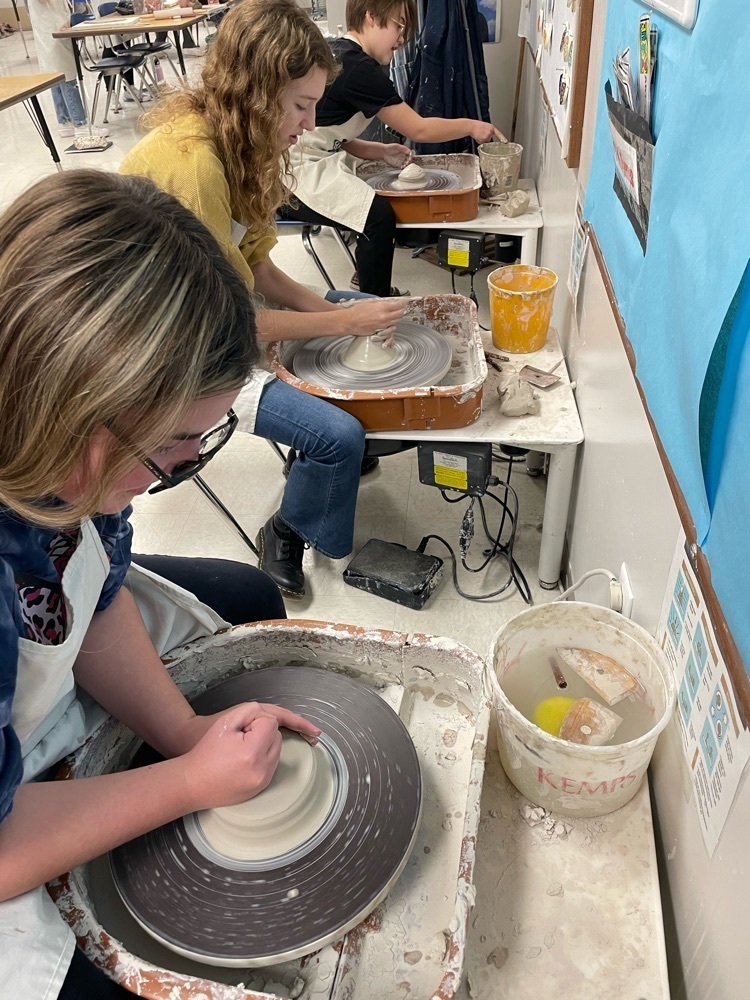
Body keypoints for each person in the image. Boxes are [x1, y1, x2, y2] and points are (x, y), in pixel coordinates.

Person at [0, 169, 320, 999]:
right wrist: (188, 784)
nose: (180, 467)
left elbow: (93, 589)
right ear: (73, 404)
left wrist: (183, 733)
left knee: (247, 599)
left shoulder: (61, 450)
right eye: (172, 445)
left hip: (31, 621)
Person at [120, 0, 405, 601]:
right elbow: (229, 328)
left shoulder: (245, 144)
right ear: (256, 91)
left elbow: (257, 268)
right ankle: (285, 529)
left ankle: (324, 457)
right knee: (339, 434)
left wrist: (338, 315)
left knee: (351, 309)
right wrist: (342, 321)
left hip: (213, 319)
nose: (310, 122)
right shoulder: (193, 165)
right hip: (165, 355)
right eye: (301, 105)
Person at [287, 0, 505, 298]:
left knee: (373, 203)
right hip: (290, 177)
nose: (402, 39)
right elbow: (418, 129)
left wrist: (380, 151)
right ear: (371, 17)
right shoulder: (359, 69)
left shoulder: (343, 52)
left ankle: (366, 281)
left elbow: (330, 135)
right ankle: (373, 305)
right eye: (398, 26)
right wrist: (472, 126)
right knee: (378, 216)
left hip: (309, 160)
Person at [25, 0, 109, 138]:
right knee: (65, 75)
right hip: (51, 26)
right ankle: (80, 124)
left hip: (53, 24)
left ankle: (65, 121)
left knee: (56, 74)